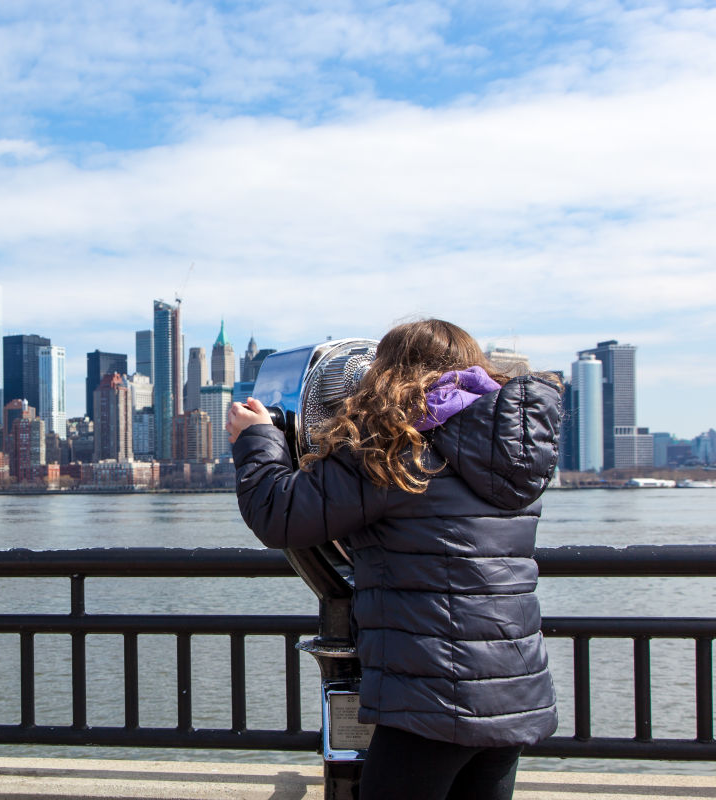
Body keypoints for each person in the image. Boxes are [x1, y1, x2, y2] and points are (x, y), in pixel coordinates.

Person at [226, 319, 561, 800]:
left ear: (386, 373)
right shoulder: (509, 453)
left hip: (433, 697)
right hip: (512, 693)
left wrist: (259, 438)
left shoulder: (392, 451)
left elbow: (280, 515)